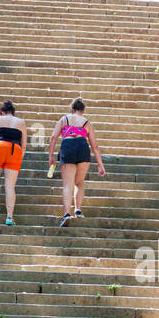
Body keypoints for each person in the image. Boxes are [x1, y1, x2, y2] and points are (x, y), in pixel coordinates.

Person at [47, 97, 105, 227]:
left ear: (71, 110)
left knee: (68, 184)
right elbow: (95, 146)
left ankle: (67, 213)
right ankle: (78, 209)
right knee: (79, 183)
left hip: (67, 146)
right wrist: (100, 165)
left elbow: (53, 137)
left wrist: (50, 156)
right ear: (83, 110)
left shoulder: (64, 119)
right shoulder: (87, 123)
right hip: (82, 147)